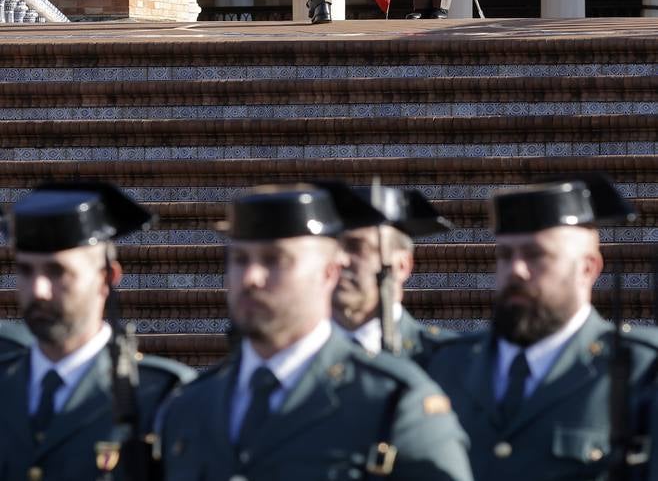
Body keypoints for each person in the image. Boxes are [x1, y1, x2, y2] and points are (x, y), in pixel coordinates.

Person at [162, 183, 474, 481]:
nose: (252, 278)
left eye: (275, 260)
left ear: (329, 273)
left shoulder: (395, 402)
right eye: (240, 260)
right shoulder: (190, 405)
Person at [425, 173, 658, 481]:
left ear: (588, 268)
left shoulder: (640, 370)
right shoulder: (445, 365)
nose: (516, 270)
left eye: (537, 255)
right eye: (505, 255)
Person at [0, 182, 195, 481]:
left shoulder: (161, 396)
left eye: (57, 272)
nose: (38, 290)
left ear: (107, 277)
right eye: (26, 271)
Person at [333, 185, 455, 365]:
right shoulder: (297, 360)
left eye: (356, 247)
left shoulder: (445, 359)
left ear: (402, 266)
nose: (339, 259)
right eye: (331, 247)